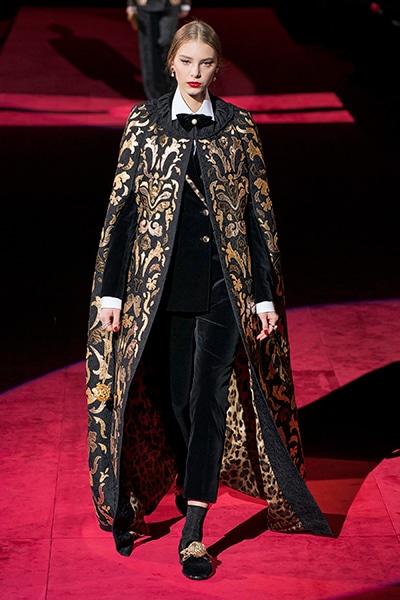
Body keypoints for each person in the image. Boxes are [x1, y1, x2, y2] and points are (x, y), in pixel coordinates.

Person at [86, 19, 332, 581]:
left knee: (209, 399)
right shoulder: (143, 123)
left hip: (226, 288)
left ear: (217, 69)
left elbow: (259, 216)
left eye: (206, 64)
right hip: (164, 288)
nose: (195, 73)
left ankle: (195, 528)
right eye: (186, 62)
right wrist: (111, 291)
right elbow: (121, 213)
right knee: (179, 399)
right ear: (171, 63)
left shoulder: (239, 127)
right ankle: (183, 475)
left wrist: (264, 297)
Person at [126, 0, 192, 99]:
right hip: (145, 5)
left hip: (170, 4)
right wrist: (131, 4)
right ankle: (153, 94)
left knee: (168, 44)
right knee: (148, 49)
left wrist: (186, 3)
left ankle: (171, 89)